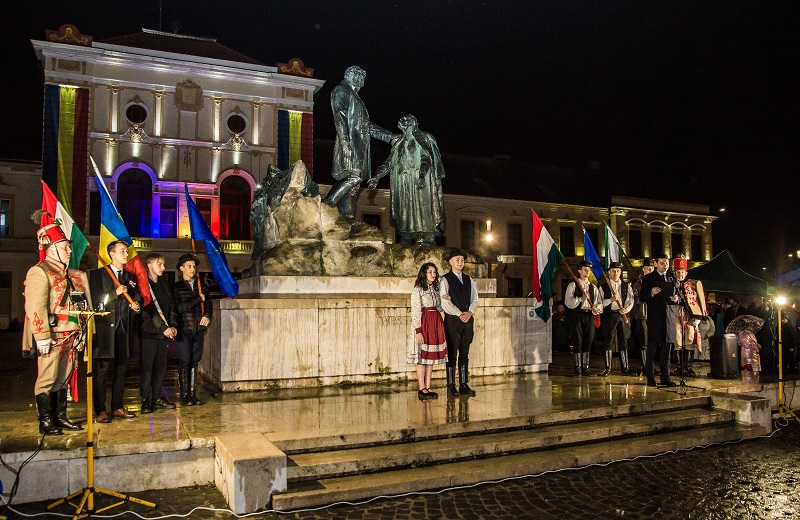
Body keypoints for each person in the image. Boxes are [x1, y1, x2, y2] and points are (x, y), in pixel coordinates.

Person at [23, 222, 92, 435]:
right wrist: (41, 335)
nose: (69, 250)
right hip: (52, 335)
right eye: (64, 247)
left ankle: (60, 416)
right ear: (51, 248)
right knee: (47, 377)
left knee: (63, 377)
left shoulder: (75, 275)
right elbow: (35, 305)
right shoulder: (40, 272)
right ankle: (45, 420)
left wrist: (86, 333)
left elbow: (86, 307)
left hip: (72, 334)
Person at [324, 66, 395, 218]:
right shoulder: (341, 90)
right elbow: (340, 117)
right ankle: (327, 204)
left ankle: (348, 218)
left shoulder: (356, 98)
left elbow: (367, 126)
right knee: (353, 177)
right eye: (357, 75)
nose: (361, 79)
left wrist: (390, 137)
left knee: (354, 187)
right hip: (351, 143)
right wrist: (345, 142)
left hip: (359, 146)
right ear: (348, 75)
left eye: (363, 77)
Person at [367, 114, 446, 244]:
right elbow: (389, 162)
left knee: (423, 206)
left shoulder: (423, 137)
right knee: (405, 208)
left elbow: (427, 158)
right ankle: (406, 235)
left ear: (413, 123)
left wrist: (421, 175)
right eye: (401, 121)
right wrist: (376, 177)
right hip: (404, 182)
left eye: (404, 121)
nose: (401, 122)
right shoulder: (399, 141)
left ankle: (427, 236)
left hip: (421, 180)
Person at [89, 240, 142, 423]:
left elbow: (137, 297)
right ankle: (101, 410)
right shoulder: (99, 275)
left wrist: (136, 305)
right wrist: (115, 293)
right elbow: (97, 303)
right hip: (105, 331)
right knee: (102, 372)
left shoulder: (129, 276)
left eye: (126, 251)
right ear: (111, 254)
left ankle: (117, 406)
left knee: (121, 369)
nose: (126, 254)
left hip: (123, 329)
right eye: (122, 251)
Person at [139, 253, 178, 414]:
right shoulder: (143, 284)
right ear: (149, 265)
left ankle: (157, 397)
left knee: (161, 367)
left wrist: (173, 325)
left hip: (164, 333)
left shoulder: (164, 283)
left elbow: (171, 305)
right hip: (150, 332)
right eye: (159, 264)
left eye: (162, 264)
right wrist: (163, 328)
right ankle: (145, 399)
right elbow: (148, 310)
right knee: (147, 367)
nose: (163, 267)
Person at [173, 253, 212, 406]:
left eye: (194, 266)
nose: (192, 268)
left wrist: (207, 315)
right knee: (185, 361)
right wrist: (197, 299)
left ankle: (192, 393)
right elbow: (180, 307)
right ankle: (184, 395)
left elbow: (208, 303)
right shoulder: (176, 287)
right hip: (184, 329)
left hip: (198, 329)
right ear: (182, 268)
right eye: (189, 266)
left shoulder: (200, 285)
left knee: (195, 361)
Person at [440, 248, 479, 397]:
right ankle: (451, 386)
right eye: (457, 260)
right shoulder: (445, 279)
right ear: (450, 262)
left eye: (462, 260)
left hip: (467, 319)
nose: (460, 262)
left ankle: (463, 384)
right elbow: (445, 303)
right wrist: (459, 313)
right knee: (452, 353)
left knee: (464, 352)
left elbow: (475, 298)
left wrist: (470, 312)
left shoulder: (469, 280)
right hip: (452, 320)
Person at [409, 262, 448, 399]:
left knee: (430, 357)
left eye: (434, 272)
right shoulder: (418, 289)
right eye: (430, 272)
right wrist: (418, 330)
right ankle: (421, 388)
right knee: (421, 357)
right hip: (424, 322)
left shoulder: (436, 289)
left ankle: (428, 385)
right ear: (424, 274)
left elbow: (439, 307)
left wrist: (446, 300)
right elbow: (415, 310)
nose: (433, 274)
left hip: (435, 321)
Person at [639, 253, 679, 387]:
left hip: (669, 317)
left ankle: (665, 377)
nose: (665, 266)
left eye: (667, 263)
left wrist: (676, 299)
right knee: (652, 348)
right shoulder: (649, 278)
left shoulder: (672, 277)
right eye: (662, 263)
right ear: (656, 263)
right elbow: (643, 297)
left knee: (667, 349)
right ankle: (650, 376)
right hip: (656, 317)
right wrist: (652, 293)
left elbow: (677, 295)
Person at [564, 260, 603, 376]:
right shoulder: (573, 285)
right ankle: (577, 367)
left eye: (589, 270)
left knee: (588, 339)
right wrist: (580, 299)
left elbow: (599, 302)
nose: (587, 271)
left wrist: (596, 309)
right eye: (585, 269)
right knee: (577, 340)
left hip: (589, 315)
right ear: (579, 271)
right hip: (577, 315)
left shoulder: (593, 288)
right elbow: (568, 302)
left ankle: (585, 366)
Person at [599, 261, 634, 375]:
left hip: (622, 315)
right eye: (613, 271)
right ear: (609, 272)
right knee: (609, 340)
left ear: (620, 272)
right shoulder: (603, 287)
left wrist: (626, 309)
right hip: (610, 315)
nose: (616, 273)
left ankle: (625, 367)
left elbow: (630, 300)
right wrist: (611, 300)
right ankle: (608, 368)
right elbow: (600, 303)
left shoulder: (626, 286)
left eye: (618, 271)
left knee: (623, 340)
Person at [630, 258, 654, 375]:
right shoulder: (638, 283)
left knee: (653, 342)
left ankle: (652, 365)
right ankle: (645, 366)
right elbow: (636, 299)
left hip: (653, 315)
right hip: (642, 315)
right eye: (647, 268)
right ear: (643, 269)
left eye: (651, 268)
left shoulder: (655, 282)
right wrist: (647, 295)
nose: (650, 270)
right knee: (644, 342)